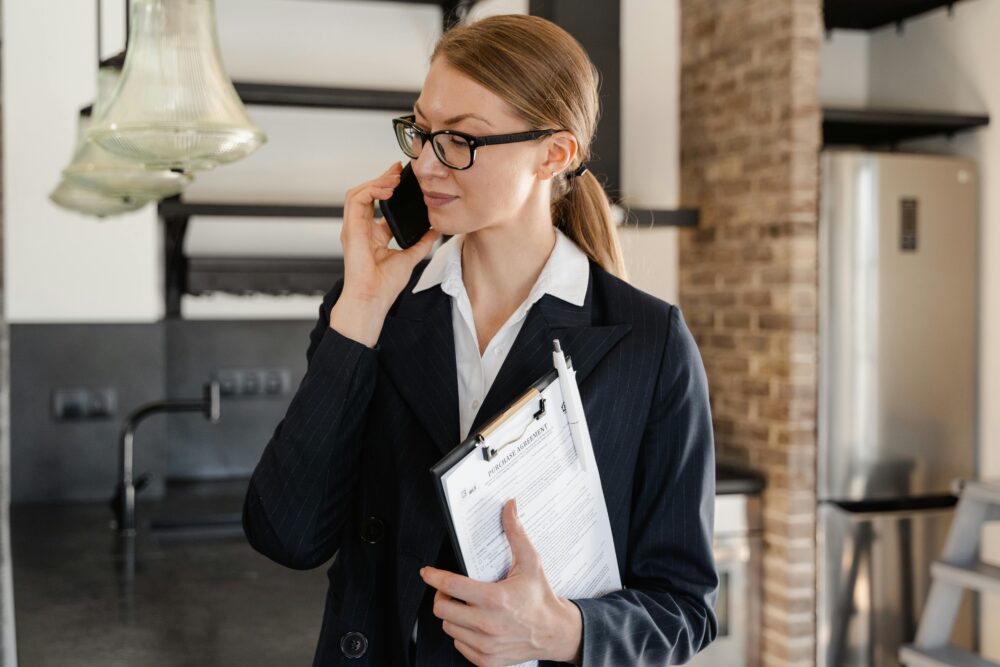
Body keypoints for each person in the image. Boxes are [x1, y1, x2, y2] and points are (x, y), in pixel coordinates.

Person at [242, 13, 718, 667]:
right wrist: (361, 309)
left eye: (460, 140)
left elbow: (686, 607)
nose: (425, 163)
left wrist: (565, 630)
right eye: (421, 131)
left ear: (554, 153)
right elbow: (286, 534)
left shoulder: (649, 343)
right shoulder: (372, 307)